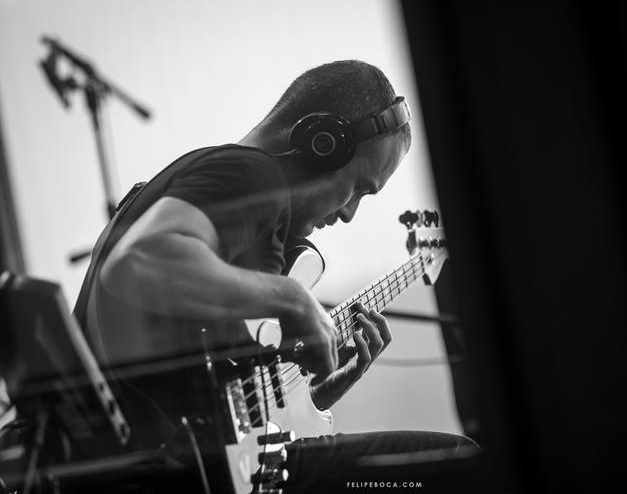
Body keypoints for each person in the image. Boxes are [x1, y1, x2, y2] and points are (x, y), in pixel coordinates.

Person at [74, 60, 477, 493]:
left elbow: (218, 399)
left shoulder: (207, 189)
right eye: (359, 188)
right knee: (457, 466)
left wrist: (317, 394)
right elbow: (139, 262)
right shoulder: (249, 173)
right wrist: (293, 299)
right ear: (323, 143)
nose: (348, 213)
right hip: (182, 473)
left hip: (187, 470)